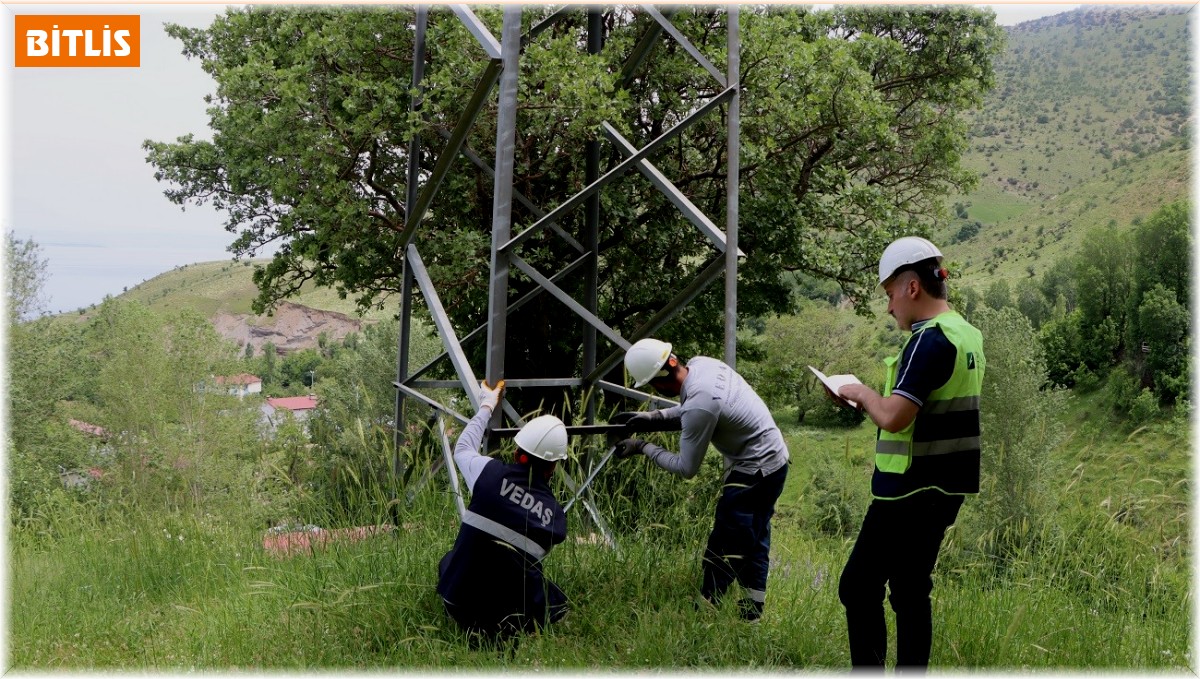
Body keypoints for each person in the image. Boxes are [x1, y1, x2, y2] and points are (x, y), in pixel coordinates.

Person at [830, 236, 986, 671]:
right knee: (910, 587)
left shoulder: (930, 339)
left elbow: (896, 417)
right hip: (946, 487)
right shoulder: (967, 334)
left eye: (889, 295)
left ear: (912, 287)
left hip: (907, 490)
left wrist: (861, 393)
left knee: (857, 587)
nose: (889, 308)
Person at [613, 338, 790, 621]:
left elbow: (686, 467)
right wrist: (652, 417)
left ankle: (705, 612)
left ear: (657, 384)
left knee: (726, 543)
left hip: (754, 469)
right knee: (753, 540)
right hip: (774, 462)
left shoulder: (700, 404)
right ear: (673, 360)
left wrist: (643, 447)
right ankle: (751, 617)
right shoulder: (703, 364)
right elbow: (691, 409)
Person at [437, 380, 571, 642]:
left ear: (517, 451)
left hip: (458, 606)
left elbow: (463, 449)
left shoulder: (488, 474)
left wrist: (487, 404)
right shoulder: (555, 518)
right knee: (548, 590)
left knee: (450, 559)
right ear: (553, 467)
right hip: (512, 622)